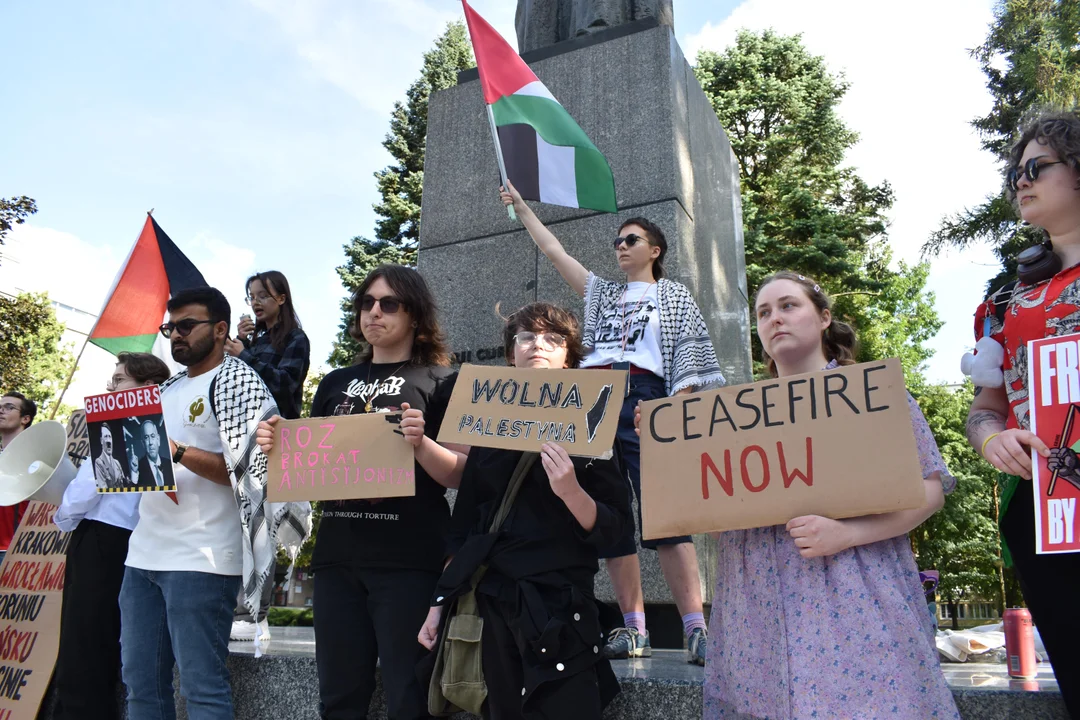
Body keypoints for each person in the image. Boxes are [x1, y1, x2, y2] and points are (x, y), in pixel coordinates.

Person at [644, 271, 957, 719]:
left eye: (789, 306)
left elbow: (930, 490)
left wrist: (847, 534)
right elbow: (697, 511)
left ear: (824, 317)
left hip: (856, 598)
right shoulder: (729, 419)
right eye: (764, 313)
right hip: (755, 614)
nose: (775, 319)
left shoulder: (876, 395)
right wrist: (664, 442)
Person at [501, 182, 725, 664]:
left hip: (647, 402)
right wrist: (522, 208)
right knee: (611, 514)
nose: (621, 247)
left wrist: (669, 407)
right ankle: (633, 628)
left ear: (655, 249)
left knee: (668, 517)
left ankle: (696, 628)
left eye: (631, 240)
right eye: (618, 242)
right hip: (592, 402)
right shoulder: (602, 295)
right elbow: (554, 249)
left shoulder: (673, 296)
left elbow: (690, 354)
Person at [255, 264, 466, 719]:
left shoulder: (442, 381)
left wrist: (421, 443)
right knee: (338, 697)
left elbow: (461, 476)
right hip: (337, 560)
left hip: (410, 561)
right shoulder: (334, 383)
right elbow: (314, 467)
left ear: (415, 315)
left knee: (410, 697)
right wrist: (277, 446)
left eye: (389, 303)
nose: (374, 312)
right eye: (366, 303)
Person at [418, 302, 632, 719]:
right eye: (527, 337)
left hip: (561, 608)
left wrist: (571, 492)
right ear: (510, 354)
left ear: (568, 358)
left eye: (554, 339)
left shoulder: (594, 421)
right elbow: (466, 525)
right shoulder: (486, 423)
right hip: (493, 607)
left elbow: (617, 528)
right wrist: (438, 604)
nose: (539, 345)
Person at [120, 286, 310, 719]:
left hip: (203, 560)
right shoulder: (163, 390)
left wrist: (178, 451)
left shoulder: (239, 381)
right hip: (143, 553)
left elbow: (252, 473)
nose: (176, 336)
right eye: (171, 328)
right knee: (140, 686)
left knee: (202, 687)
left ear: (221, 329)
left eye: (187, 326)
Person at [966, 110, 1080, 718]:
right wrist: (992, 440)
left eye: (1037, 168)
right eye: (1015, 173)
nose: (1020, 182)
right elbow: (985, 409)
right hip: (1047, 516)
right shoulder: (1004, 300)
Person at [53, 352, 171, 720]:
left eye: (119, 380)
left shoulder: (125, 420)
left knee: (82, 642)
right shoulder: (163, 426)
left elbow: (84, 491)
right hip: (134, 540)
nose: (110, 386)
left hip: (102, 538)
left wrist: (65, 511)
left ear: (147, 387)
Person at [225, 270, 311, 643]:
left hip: (276, 440)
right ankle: (236, 608)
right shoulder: (252, 340)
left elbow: (284, 385)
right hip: (238, 440)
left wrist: (246, 355)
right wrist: (242, 345)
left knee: (263, 523)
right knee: (237, 523)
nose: (255, 302)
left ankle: (254, 613)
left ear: (281, 298)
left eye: (262, 295)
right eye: (250, 296)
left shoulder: (296, 338)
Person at [0, 391, 35, 563]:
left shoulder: (35, 457)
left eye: (9, 407)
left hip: (13, 550)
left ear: (25, 419)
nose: (1, 411)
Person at [132, 419, 168, 488]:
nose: (150, 442)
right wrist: (134, 472)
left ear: (158, 440)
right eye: (146, 437)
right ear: (143, 443)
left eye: (153, 436)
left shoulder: (169, 464)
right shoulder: (137, 470)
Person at [93, 423, 127, 489]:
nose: (108, 441)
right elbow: (103, 488)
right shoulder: (99, 462)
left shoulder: (117, 463)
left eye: (110, 437)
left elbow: (124, 485)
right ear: (101, 441)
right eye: (105, 437)